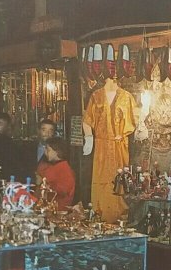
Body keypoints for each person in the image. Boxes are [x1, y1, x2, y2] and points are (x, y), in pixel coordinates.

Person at [82, 78, 137, 222]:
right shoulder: (96, 96)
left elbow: (134, 120)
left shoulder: (126, 97)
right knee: (101, 179)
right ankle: (99, 216)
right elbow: (87, 120)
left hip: (119, 146)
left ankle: (120, 218)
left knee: (119, 181)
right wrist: (89, 138)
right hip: (101, 146)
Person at [36, 136, 75, 209]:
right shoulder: (54, 165)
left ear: (57, 151)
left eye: (48, 150)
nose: (45, 152)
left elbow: (63, 191)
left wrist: (44, 184)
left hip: (57, 209)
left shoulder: (64, 168)